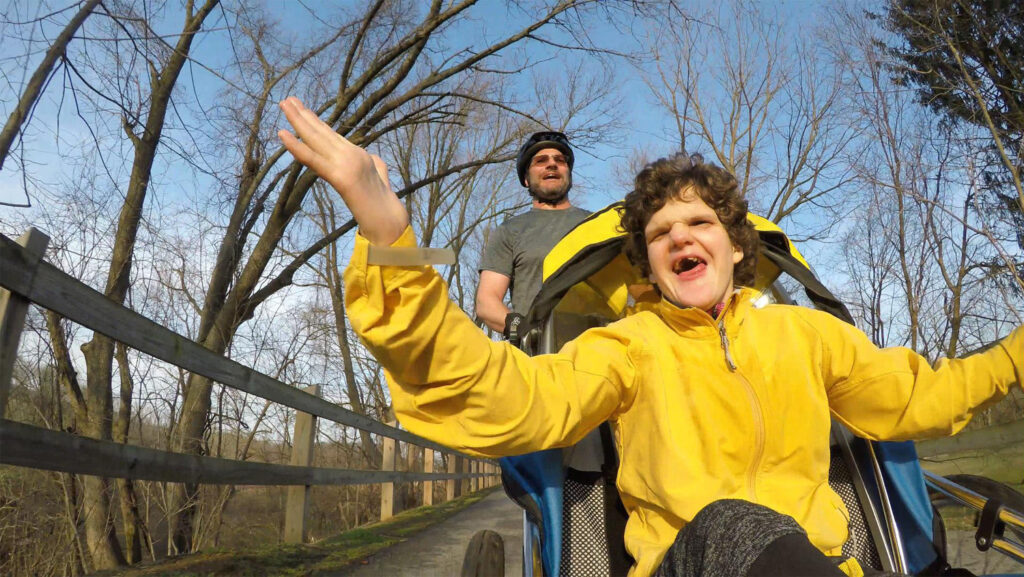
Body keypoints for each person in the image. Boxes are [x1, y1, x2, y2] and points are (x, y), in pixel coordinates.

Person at [276, 96, 1023, 577]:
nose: (680, 237)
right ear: (649, 264)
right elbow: (501, 394)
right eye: (661, 231)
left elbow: (925, 394)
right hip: (689, 559)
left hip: (824, 561)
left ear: (736, 247)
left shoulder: (806, 336)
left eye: (699, 223)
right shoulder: (625, 348)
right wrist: (391, 241)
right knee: (732, 523)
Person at [475, 131, 590, 340]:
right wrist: (523, 329)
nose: (552, 164)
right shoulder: (510, 231)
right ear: (526, 179)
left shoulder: (598, 225)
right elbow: (486, 301)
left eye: (560, 160)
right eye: (540, 160)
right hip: (537, 360)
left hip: (600, 355)